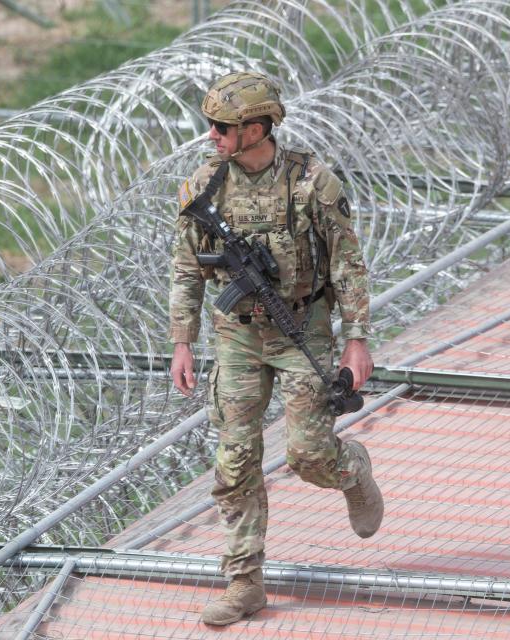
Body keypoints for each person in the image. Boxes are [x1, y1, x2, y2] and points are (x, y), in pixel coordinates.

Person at [169, 71, 383, 626]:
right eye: (210, 125)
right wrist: (182, 341)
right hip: (237, 335)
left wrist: (356, 339)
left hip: (301, 329)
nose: (211, 135)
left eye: (222, 126)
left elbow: (347, 263)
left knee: (308, 455)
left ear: (257, 128)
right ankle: (244, 583)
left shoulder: (311, 183)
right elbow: (187, 269)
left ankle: (350, 470)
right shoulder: (204, 187)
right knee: (235, 460)